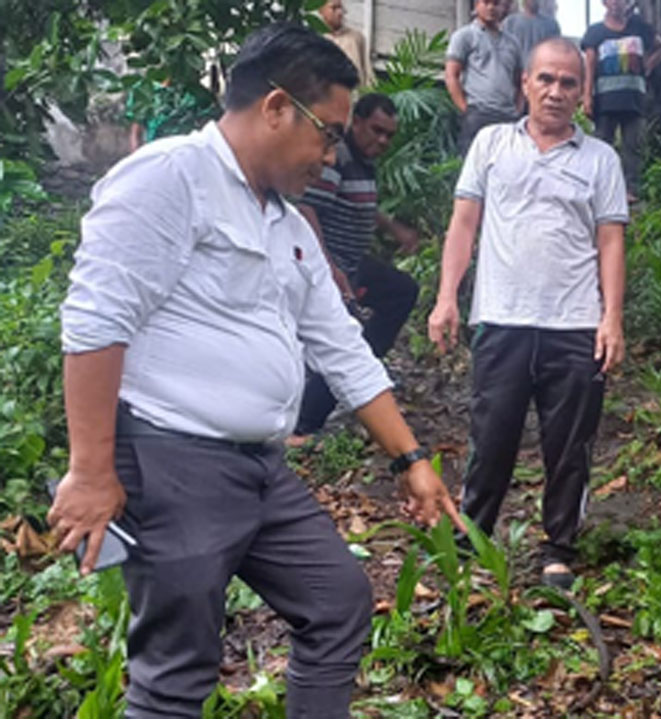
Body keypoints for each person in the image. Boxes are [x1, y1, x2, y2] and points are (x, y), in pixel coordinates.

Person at [50, 24, 461, 718]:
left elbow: (341, 345)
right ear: (275, 107)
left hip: (261, 469)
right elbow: (96, 323)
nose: (331, 155)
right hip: (171, 459)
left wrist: (410, 457)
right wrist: (92, 470)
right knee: (176, 672)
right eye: (326, 133)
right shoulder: (170, 176)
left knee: (336, 600)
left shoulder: (289, 223)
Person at [428, 37, 628, 590]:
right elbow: (464, 224)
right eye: (546, 79)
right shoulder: (492, 144)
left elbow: (610, 241)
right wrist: (448, 296)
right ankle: (474, 532)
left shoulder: (599, 159)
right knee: (491, 433)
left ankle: (558, 548)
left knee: (569, 443)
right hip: (502, 317)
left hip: (574, 323)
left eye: (568, 82)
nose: (556, 91)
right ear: (525, 83)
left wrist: (611, 316)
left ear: (582, 91)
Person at [290, 92, 421, 444]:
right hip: (331, 265)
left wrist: (394, 228)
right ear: (356, 122)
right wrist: (329, 270)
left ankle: (363, 375)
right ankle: (305, 423)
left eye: (388, 136)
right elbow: (309, 210)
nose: (381, 141)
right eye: (376, 131)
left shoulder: (362, 162)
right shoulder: (338, 158)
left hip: (353, 263)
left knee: (401, 291)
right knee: (337, 339)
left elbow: (360, 202)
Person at [581, 0, 661, 202]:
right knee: (602, 144)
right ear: (604, 3)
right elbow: (590, 66)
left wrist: (648, 65)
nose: (616, 3)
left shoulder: (639, 27)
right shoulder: (596, 32)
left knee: (633, 146)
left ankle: (631, 191)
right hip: (606, 99)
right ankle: (600, 188)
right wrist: (587, 96)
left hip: (634, 99)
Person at [446, 0, 524, 156]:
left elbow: (521, 82)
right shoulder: (464, 36)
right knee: (473, 168)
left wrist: (518, 110)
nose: (491, 8)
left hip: (507, 117)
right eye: (486, 2)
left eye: (496, 3)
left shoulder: (513, 43)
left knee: (507, 168)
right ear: (476, 4)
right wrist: (466, 109)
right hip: (478, 114)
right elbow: (451, 76)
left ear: (503, 7)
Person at [319, 0, 373, 87]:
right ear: (321, 11)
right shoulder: (316, 39)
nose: (339, 13)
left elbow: (368, 74)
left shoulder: (355, 38)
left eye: (341, 8)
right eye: (334, 8)